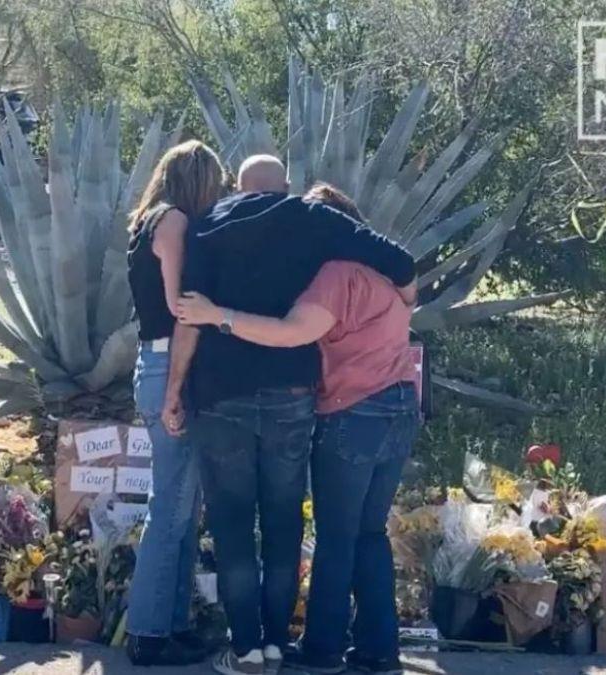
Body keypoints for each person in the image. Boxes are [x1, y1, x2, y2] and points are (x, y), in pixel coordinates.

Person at [162, 158, 416, 675]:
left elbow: (194, 317)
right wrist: (409, 294)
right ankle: (300, 645)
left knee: (238, 526)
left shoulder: (211, 226)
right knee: (296, 525)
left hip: (231, 394)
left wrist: (176, 384)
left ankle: (259, 649)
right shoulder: (321, 229)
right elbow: (403, 264)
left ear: (237, 187)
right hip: (317, 399)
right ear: (285, 187)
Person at [124, 139, 227, 666]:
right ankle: (147, 632)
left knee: (182, 505)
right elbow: (179, 304)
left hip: (154, 361)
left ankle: (173, 623)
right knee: (169, 507)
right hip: (170, 366)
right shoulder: (175, 222)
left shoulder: (147, 221)